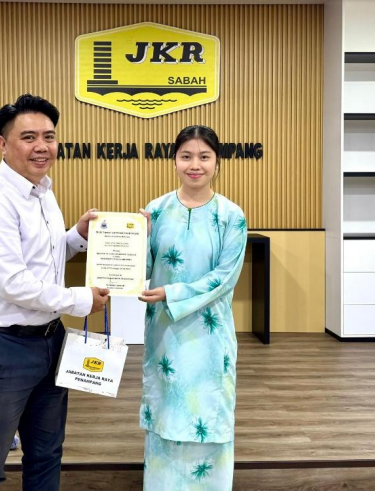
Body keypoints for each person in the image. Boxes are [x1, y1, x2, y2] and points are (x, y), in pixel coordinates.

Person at [0, 94, 110, 491]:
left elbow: (44, 258)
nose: (42, 146)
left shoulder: (41, 190)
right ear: (2, 143)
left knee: (46, 456)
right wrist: (81, 300)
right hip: (1, 347)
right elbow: (14, 283)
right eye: (28, 137)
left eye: (49, 136)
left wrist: (77, 235)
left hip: (49, 340)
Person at [138, 125, 248, 490]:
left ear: (217, 162)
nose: (194, 165)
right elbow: (140, 270)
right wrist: (135, 238)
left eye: (204, 157)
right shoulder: (155, 211)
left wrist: (171, 292)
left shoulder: (232, 216)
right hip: (165, 336)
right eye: (186, 156)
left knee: (209, 413)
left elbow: (224, 278)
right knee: (166, 413)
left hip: (210, 338)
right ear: (174, 161)